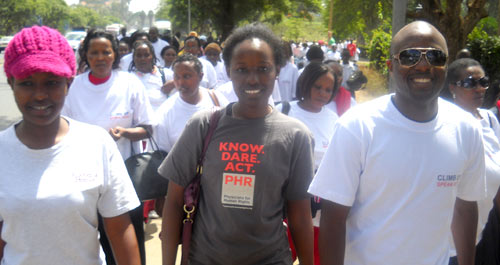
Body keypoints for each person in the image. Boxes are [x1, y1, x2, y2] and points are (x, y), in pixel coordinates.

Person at [309, 21, 486, 265]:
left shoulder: (467, 129)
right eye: (410, 56)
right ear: (391, 66)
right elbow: (333, 218)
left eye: (435, 56)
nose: (423, 65)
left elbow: (465, 208)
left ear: (445, 65)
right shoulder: (357, 127)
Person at [160, 23, 314, 265]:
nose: (252, 79)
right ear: (229, 72)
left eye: (263, 68)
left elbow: (300, 215)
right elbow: (174, 201)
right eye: (241, 70)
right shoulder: (203, 125)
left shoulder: (295, 135)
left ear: (277, 71)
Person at [0, 25, 141, 265]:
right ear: (11, 83)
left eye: (52, 82)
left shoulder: (96, 144)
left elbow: (119, 230)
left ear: (69, 82)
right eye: (26, 83)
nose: (40, 95)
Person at [61, 29, 155, 265]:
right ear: (86, 55)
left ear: (115, 55)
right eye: (94, 52)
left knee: (125, 246)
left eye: (106, 52)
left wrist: (125, 133)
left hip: (123, 181)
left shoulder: (129, 83)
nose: (100, 57)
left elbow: (148, 128)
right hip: (82, 181)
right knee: (90, 246)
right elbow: (62, 129)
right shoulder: (74, 87)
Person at [276, 62, 339, 265]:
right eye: (318, 87)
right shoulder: (282, 112)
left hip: (319, 214)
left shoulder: (335, 120)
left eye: (328, 89)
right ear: (305, 83)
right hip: (283, 210)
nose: (323, 93)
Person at [444, 58, 500, 265]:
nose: (479, 89)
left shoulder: (491, 121)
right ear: (452, 88)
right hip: (449, 244)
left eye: (483, 82)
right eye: (469, 83)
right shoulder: (446, 124)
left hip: (484, 232)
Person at [129, 40, 174, 111]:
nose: (142, 59)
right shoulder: (127, 78)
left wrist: (175, 82)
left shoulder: (165, 74)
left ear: (152, 56)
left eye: (146, 55)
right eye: (139, 55)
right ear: (134, 58)